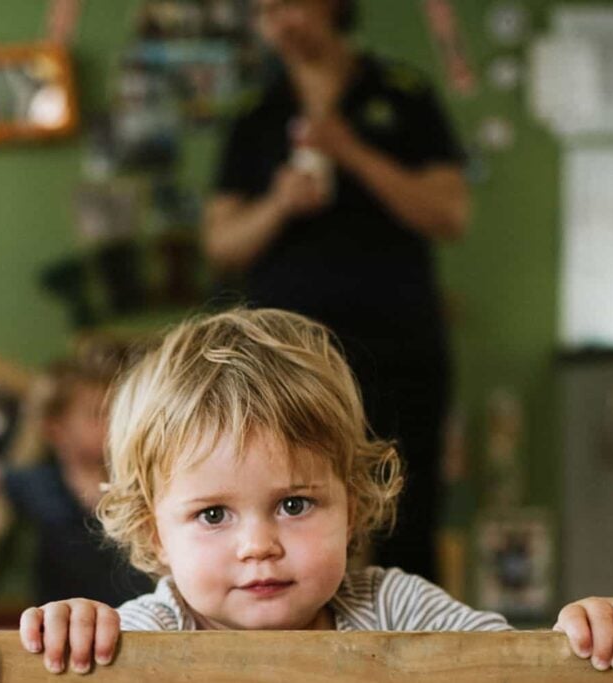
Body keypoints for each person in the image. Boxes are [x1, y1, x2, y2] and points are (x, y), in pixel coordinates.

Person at [15, 309, 613, 675]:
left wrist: (579, 637)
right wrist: (76, 636)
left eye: (293, 505)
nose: (259, 546)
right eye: (213, 514)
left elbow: (508, 669)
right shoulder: (149, 631)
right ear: (156, 534)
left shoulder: (393, 608)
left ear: (352, 506)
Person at [202, 0, 469, 582]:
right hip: (287, 359)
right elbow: (221, 244)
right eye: (267, 12)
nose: (283, 23)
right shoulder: (255, 115)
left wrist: (352, 152)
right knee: (286, 508)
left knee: (408, 518)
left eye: (291, 5)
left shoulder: (404, 94)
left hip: (400, 344)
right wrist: (278, 203)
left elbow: (450, 212)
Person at [0, 338, 152, 607]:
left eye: (115, 412)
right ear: (56, 429)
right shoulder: (42, 483)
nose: (111, 424)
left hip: (138, 617)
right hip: (64, 621)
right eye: (96, 414)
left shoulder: (135, 483)